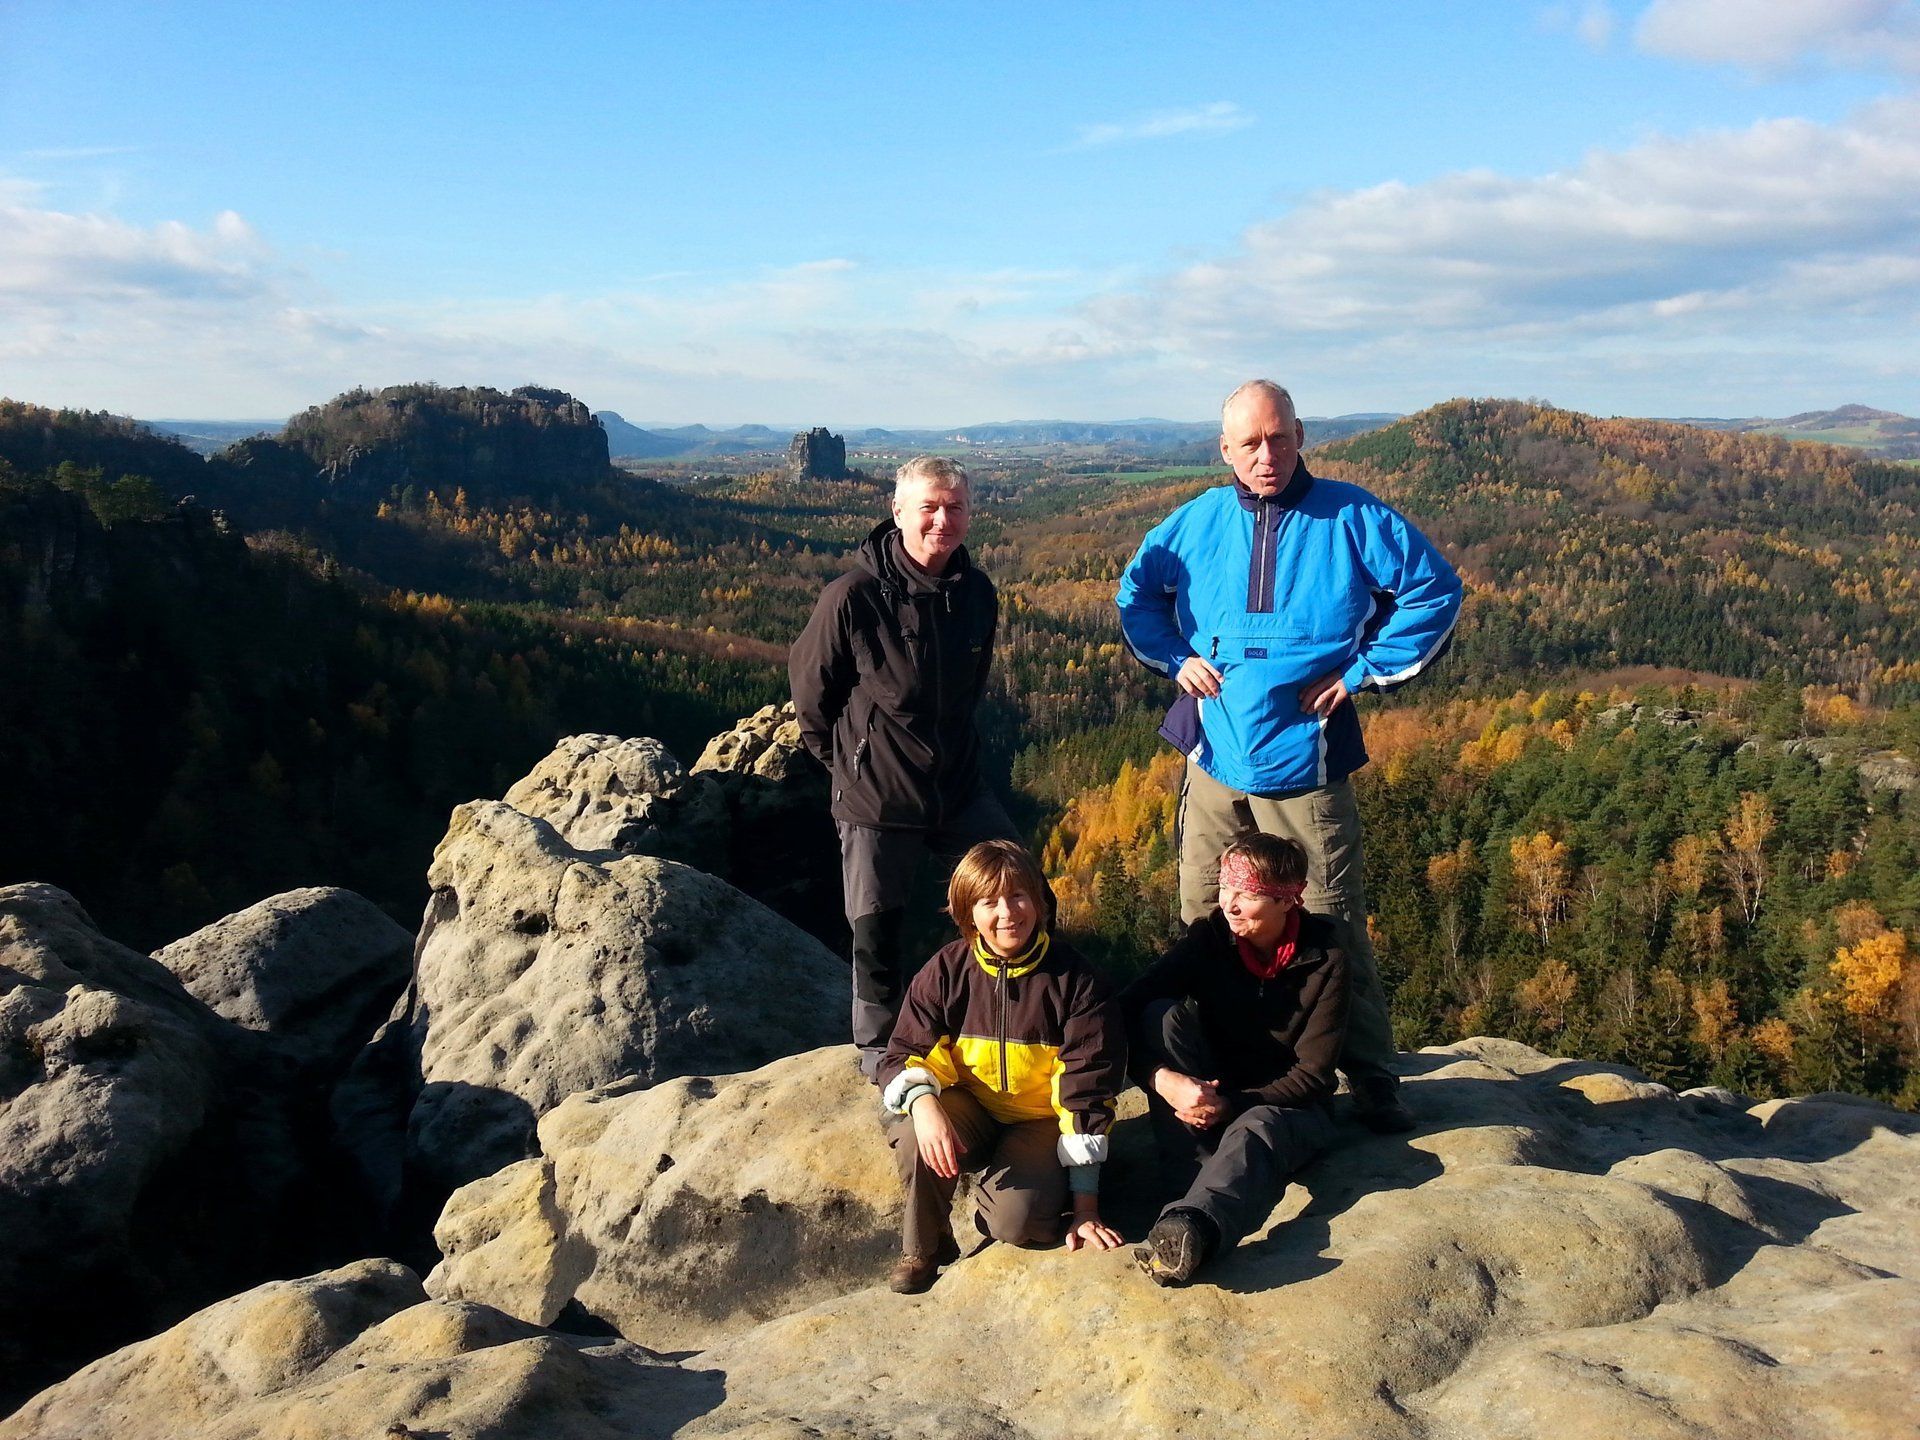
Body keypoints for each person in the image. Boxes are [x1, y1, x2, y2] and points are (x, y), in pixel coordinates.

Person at [1115, 379, 1461, 1132]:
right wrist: (1175, 657)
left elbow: (1434, 591)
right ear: (1225, 449)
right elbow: (1135, 595)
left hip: (1307, 757)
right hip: (1214, 752)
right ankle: (1209, 1064)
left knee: (1331, 922)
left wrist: (1362, 671)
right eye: (1249, 443)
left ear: (1300, 435)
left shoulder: (1352, 516)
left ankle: (1371, 1077)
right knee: (1206, 917)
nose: (1265, 455)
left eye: (1278, 438)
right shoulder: (1197, 520)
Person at [791, 456, 1022, 1078]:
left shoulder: (976, 593)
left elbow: (969, 690)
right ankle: (881, 1054)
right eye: (929, 507)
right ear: (898, 513)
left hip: (957, 786)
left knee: (1014, 895)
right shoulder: (853, 597)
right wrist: (851, 769)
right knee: (877, 927)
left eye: (955, 507)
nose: (942, 520)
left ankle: (1001, 1025)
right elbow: (812, 698)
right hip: (879, 792)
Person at [877, 839, 1126, 1293]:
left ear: (1038, 901)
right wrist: (924, 1105)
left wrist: (1086, 1209)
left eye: (1018, 896)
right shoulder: (947, 971)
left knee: (1017, 1224)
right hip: (973, 1108)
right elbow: (902, 1053)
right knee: (913, 1129)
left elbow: (1087, 1091)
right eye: (989, 902)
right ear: (967, 913)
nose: (1007, 913)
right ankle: (925, 1247)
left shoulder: (1077, 982)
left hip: (1041, 1121)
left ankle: (1005, 1195)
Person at [1119, 833, 1349, 1286]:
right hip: (1211, 1090)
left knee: (1256, 1127)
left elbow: (1312, 1074)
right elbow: (1125, 1008)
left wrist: (1231, 1105)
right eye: (1226, 887)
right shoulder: (1210, 938)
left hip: (1287, 1107)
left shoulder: (1327, 958)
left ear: (1288, 900)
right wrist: (1161, 1079)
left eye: (1248, 894)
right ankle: (1189, 1176)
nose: (1230, 904)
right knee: (1161, 1016)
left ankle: (1193, 1228)